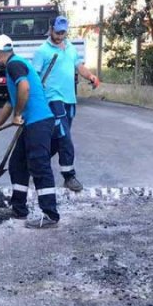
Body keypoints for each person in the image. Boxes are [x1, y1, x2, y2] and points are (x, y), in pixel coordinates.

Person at [0, 34, 60, 229]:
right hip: (32, 124)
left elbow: (24, 88)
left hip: (39, 122)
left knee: (39, 165)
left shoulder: (13, 65)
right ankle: (18, 208)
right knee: (18, 163)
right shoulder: (16, 65)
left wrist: (18, 113)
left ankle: (50, 214)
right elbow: (11, 101)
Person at [33, 15, 100, 193]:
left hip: (70, 99)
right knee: (65, 137)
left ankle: (36, 162)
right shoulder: (42, 51)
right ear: (50, 28)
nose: (60, 35)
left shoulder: (70, 48)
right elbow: (34, 77)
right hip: (53, 99)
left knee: (59, 137)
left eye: (63, 32)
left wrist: (91, 76)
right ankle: (69, 176)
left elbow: (79, 66)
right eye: (57, 32)